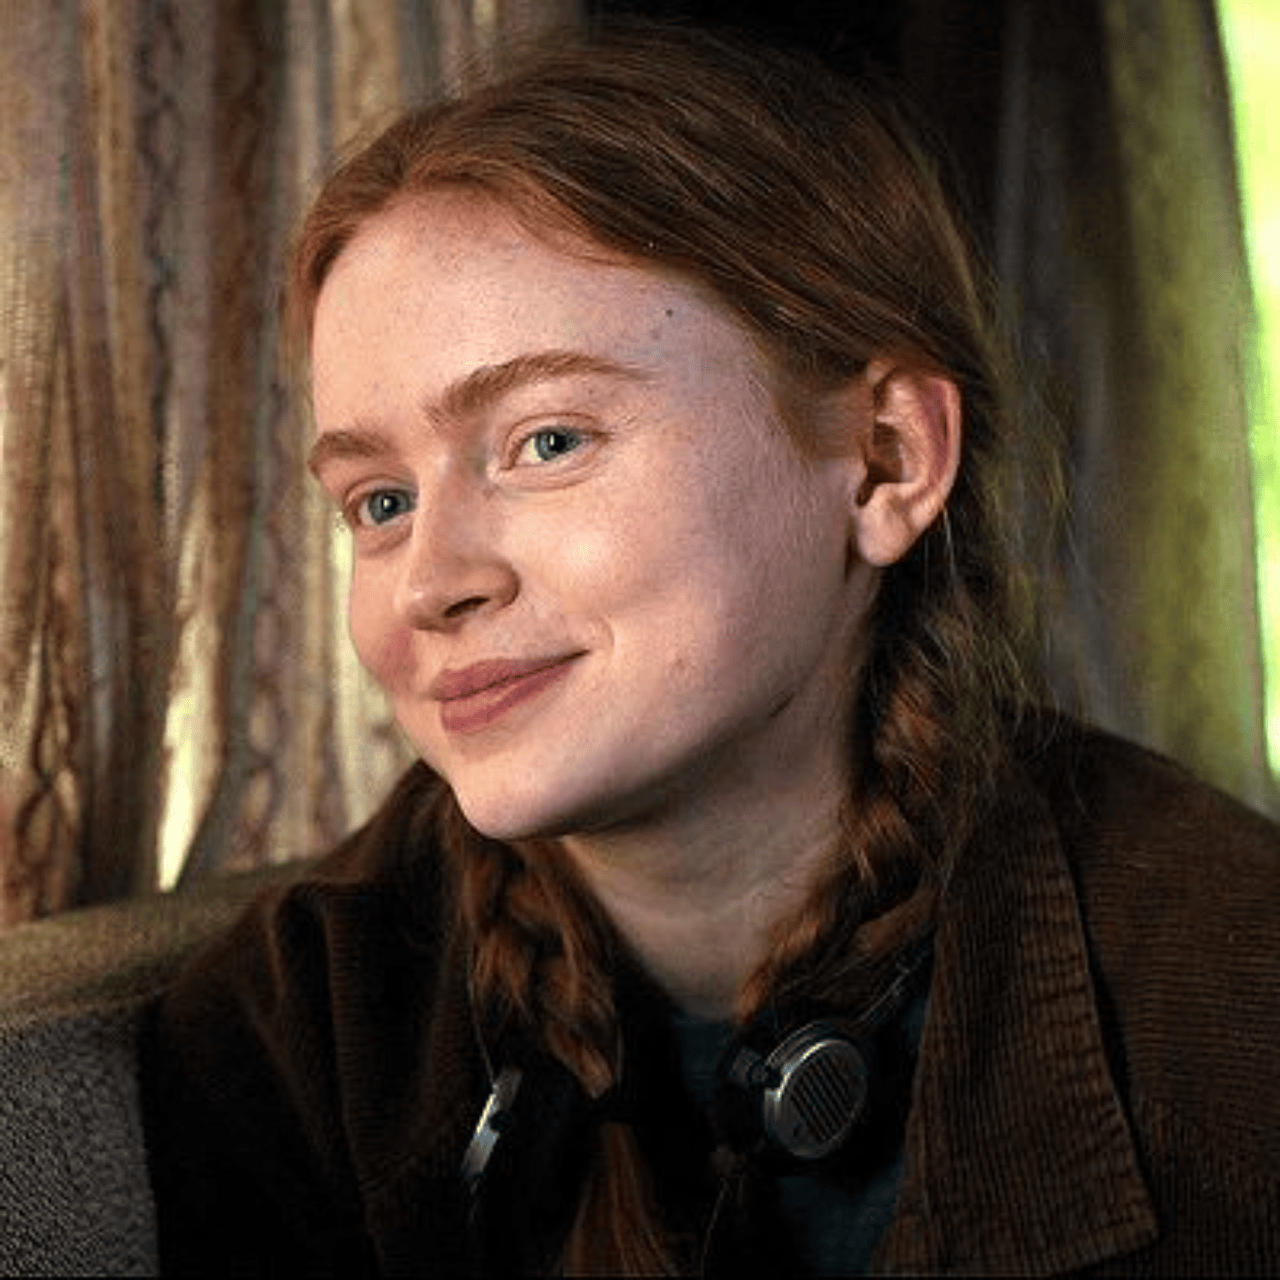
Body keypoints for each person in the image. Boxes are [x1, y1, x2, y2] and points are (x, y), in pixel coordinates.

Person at [139, 24, 1280, 1277]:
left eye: (548, 441)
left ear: (887, 460)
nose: (430, 581)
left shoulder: (1235, 1010)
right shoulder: (283, 1032)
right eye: (380, 501)